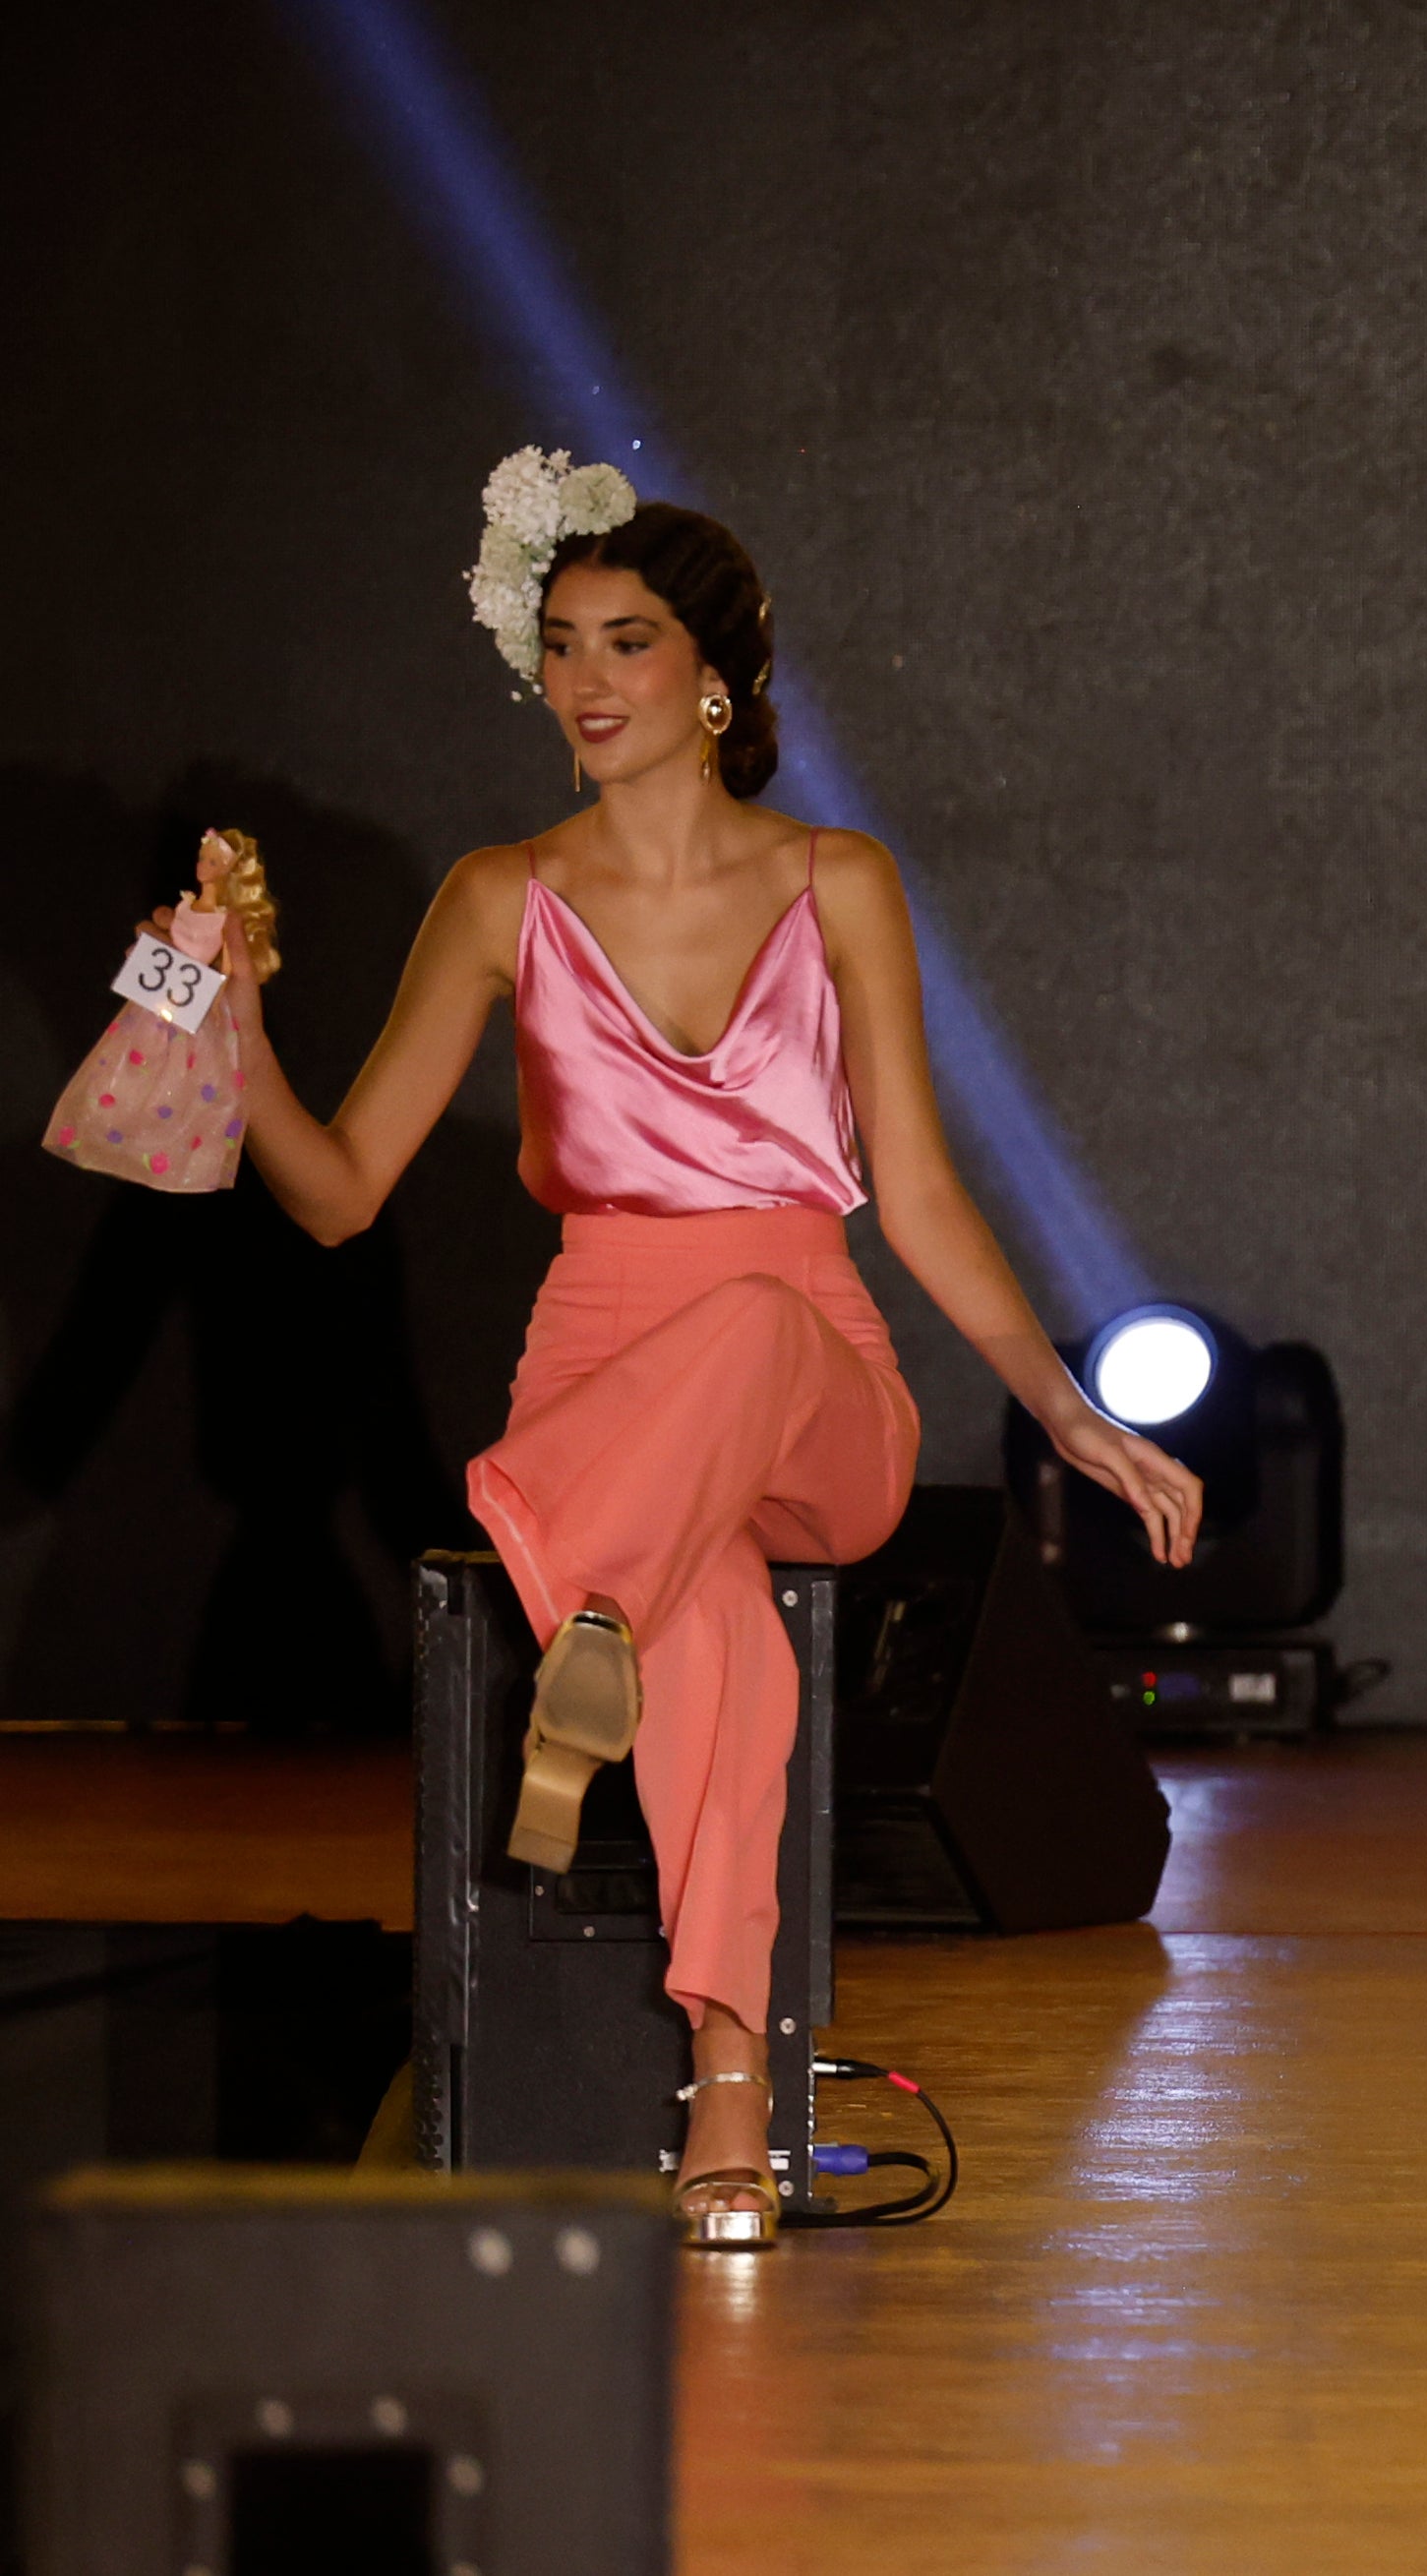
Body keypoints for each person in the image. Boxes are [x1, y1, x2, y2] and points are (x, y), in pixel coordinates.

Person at [198, 465, 1201, 2247]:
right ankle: (729, 2090)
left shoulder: (839, 883)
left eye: (630, 644)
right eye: (562, 644)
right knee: (715, 1625)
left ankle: (579, 1577)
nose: (588, 679)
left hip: (810, 1383)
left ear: (712, 679)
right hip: (607, 1389)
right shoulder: (501, 896)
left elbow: (923, 1198)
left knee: (740, 1322)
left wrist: (1063, 1411)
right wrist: (237, 1031)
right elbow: (339, 1195)